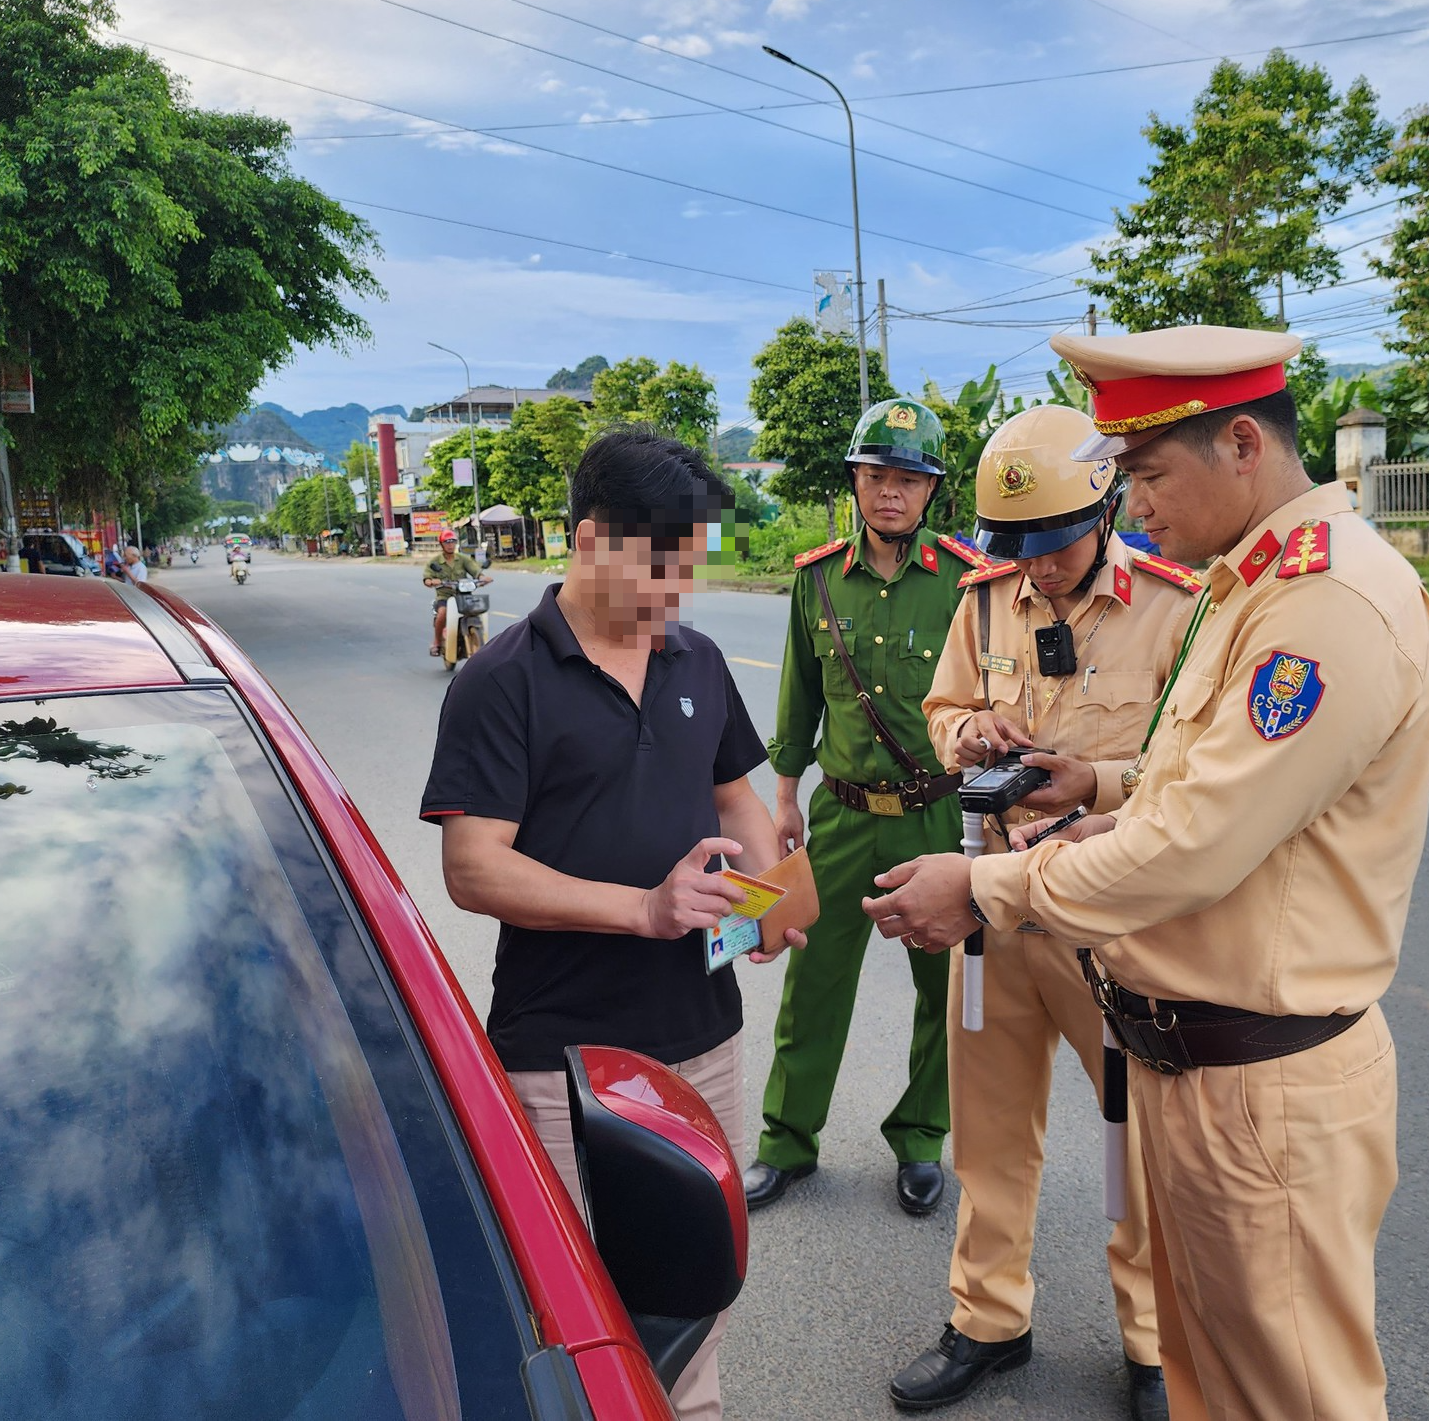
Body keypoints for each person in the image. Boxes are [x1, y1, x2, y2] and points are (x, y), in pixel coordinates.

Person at [862, 325, 1429, 1421]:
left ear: (1241, 446)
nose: (1136, 506)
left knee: (1281, 1384)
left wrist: (983, 886)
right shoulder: (1241, 589)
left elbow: (1191, 842)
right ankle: (994, 1318)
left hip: (1218, 1037)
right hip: (1146, 993)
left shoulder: (1312, 601)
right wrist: (1082, 786)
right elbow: (1184, 786)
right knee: (1012, 1152)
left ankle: (1139, 1345)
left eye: (1146, 475)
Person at [419, 427, 805, 1421]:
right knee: (575, 1308)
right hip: (563, 1056)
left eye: (692, 565)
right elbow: (473, 867)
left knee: (695, 1289)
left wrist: (770, 900)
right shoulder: (500, 680)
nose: (680, 590)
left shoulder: (697, 660)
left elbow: (737, 798)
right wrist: (641, 909)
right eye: (661, 566)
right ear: (590, 539)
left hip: (700, 1041)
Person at [889, 405, 1199, 1421]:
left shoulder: (1175, 610)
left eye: (1056, 542)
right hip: (992, 910)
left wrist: (1097, 782)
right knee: (987, 1133)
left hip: (1110, 922)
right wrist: (969, 731)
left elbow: (1195, 774)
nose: (1039, 566)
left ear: (1105, 513)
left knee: (1131, 1140)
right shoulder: (985, 604)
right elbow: (941, 715)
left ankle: (1154, 1344)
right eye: (1017, 545)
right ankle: (987, 1319)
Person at [743, 397, 989, 1218]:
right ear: (854, 481)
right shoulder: (815, 578)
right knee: (812, 980)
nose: (891, 492)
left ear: (931, 491)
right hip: (842, 816)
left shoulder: (967, 581)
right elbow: (798, 696)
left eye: (908, 480)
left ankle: (920, 1139)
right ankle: (786, 1140)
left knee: (943, 986)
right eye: (877, 475)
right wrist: (785, 798)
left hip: (937, 815)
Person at [423, 529, 490, 657]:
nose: (450, 545)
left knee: (477, 610)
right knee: (442, 613)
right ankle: (437, 642)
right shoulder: (435, 561)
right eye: (447, 542)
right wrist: (430, 581)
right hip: (445, 596)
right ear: (442, 544)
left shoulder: (463, 559)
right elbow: (427, 577)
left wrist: (482, 577)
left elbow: (475, 570)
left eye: (453, 542)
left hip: (463, 596)